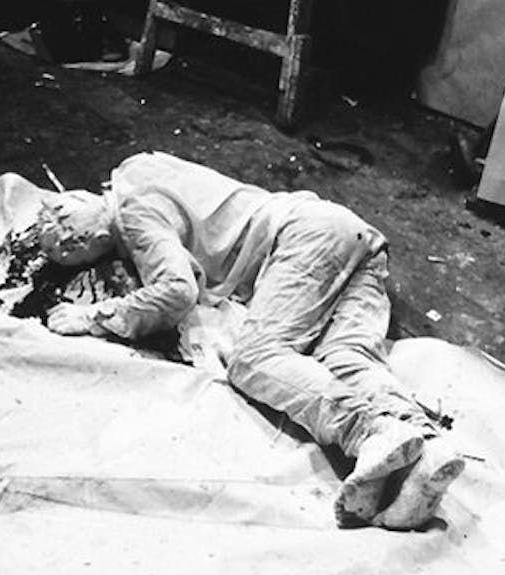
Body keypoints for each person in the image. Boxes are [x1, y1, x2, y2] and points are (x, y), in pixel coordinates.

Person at [36, 151, 465, 530]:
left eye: (63, 234)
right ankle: (424, 451)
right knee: (345, 357)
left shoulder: (131, 215)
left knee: (255, 358)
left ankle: (367, 432)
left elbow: (176, 291)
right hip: (350, 235)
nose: (61, 234)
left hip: (303, 239)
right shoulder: (138, 168)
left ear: (87, 237)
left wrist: (95, 316)